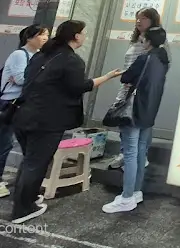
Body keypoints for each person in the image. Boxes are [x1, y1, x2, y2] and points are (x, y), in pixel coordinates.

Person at [11, 20, 121, 224]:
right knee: (35, 164)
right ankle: (22, 210)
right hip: (46, 121)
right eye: (83, 33)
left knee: (30, 162)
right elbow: (80, 86)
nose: (85, 36)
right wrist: (106, 77)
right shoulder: (72, 60)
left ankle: (27, 198)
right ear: (76, 36)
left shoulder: (41, 55)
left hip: (23, 115)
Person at [103, 26, 169, 213]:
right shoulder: (163, 60)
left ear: (148, 41)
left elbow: (126, 77)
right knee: (140, 152)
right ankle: (136, 192)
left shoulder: (144, 58)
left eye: (143, 39)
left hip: (134, 111)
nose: (141, 41)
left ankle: (126, 198)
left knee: (130, 154)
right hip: (149, 112)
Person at [108, 8, 161, 171]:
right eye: (137, 18)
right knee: (124, 119)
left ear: (153, 21)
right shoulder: (136, 39)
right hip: (127, 87)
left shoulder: (156, 42)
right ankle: (125, 154)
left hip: (143, 90)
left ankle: (140, 156)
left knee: (142, 123)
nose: (139, 21)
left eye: (143, 18)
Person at [0, 25, 49, 198]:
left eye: (47, 35)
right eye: (42, 35)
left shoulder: (39, 56)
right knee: (4, 144)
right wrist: (37, 77)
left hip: (23, 104)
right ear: (29, 37)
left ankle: (24, 184)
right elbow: (21, 79)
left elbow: (25, 79)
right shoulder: (19, 54)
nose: (45, 38)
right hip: (10, 103)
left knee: (18, 144)